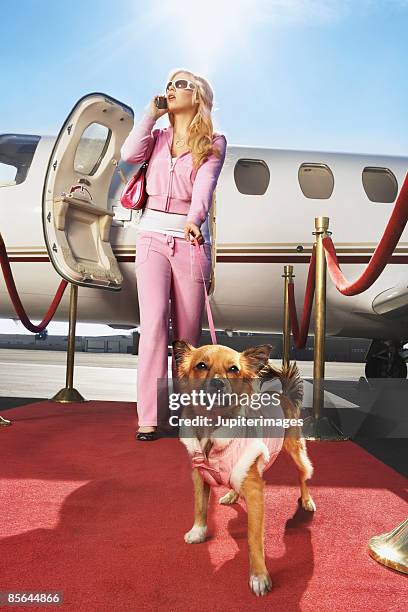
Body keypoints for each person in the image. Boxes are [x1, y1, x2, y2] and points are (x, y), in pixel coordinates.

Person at [120, 69, 227, 441]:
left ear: (198, 96)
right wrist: (150, 113)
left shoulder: (214, 141)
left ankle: (188, 416)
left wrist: (195, 220)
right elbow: (128, 154)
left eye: (181, 84)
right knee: (152, 328)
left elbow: (205, 188)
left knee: (186, 338)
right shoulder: (157, 137)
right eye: (169, 82)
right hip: (151, 237)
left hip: (190, 241)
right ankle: (149, 418)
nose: (171, 87)